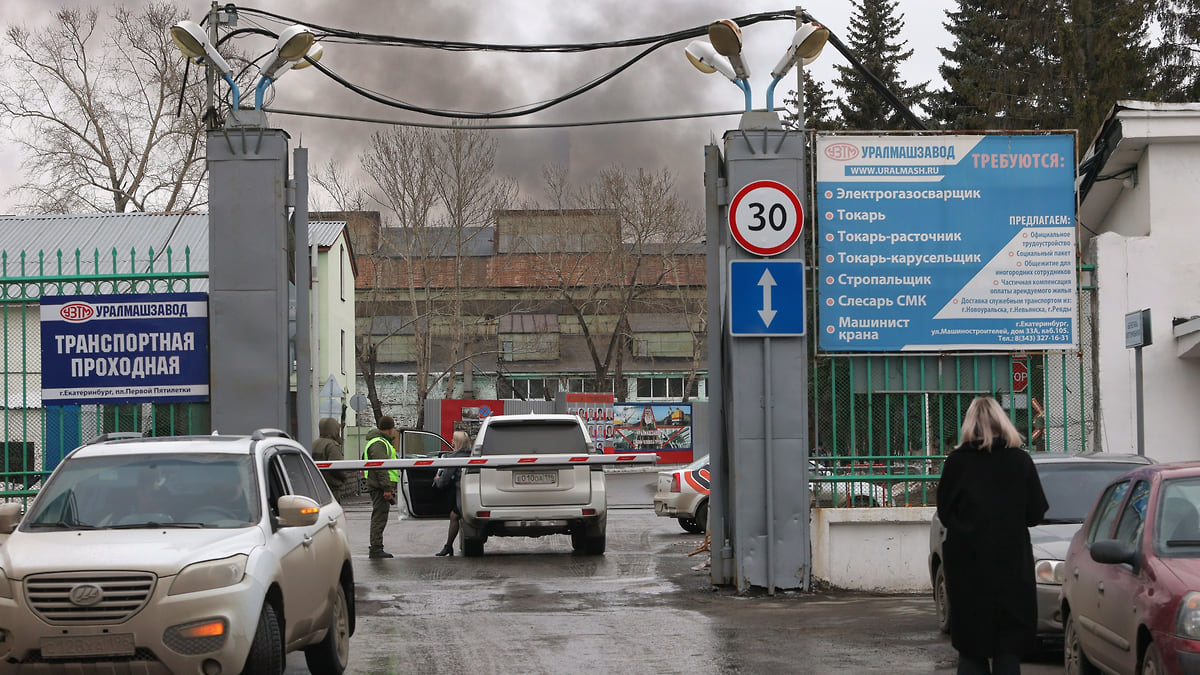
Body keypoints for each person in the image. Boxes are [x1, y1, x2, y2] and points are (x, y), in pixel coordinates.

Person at [936, 396, 1049, 675]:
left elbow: (945, 514)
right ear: (1003, 422)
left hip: (967, 570)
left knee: (972, 650)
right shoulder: (1020, 461)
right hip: (1011, 568)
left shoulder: (956, 463)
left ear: (969, 425)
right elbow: (1036, 514)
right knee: (1007, 650)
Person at [363, 415, 400, 559]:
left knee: (380, 516)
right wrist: (386, 488)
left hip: (380, 485)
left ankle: (377, 547)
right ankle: (376, 548)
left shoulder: (380, 442)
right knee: (379, 517)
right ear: (390, 429)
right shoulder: (379, 443)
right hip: (379, 487)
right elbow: (381, 467)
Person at [433, 430, 471, 557]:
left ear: (456, 442)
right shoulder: (473, 456)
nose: (451, 441)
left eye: (453, 440)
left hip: (461, 495)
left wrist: (437, 481)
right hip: (475, 494)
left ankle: (448, 547)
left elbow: (445, 480)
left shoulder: (454, 458)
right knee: (455, 515)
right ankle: (448, 546)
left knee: (455, 516)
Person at [311, 417, 349, 501]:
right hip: (331, 487)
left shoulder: (313, 444)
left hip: (316, 486)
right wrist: (343, 478)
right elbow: (337, 468)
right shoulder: (332, 445)